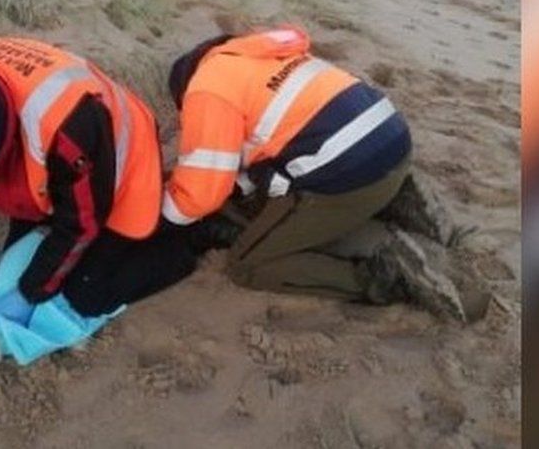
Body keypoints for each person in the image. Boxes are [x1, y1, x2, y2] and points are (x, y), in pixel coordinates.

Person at [0, 37, 201, 323]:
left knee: (85, 294)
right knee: (12, 270)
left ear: (1, 143)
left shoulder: (68, 123)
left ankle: (193, 239)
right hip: (58, 160)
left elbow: (80, 224)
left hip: (122, 164)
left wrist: (28, 293)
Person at [162, 26, 415, 303]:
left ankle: (387, 282)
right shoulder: (260, 57)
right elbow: (265, 147)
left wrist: (161, 218)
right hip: (395, 143)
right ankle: (397, 201)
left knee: (249, 266)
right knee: (267, 188)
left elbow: (198, 197)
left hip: (349, 175)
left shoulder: (206, 89)